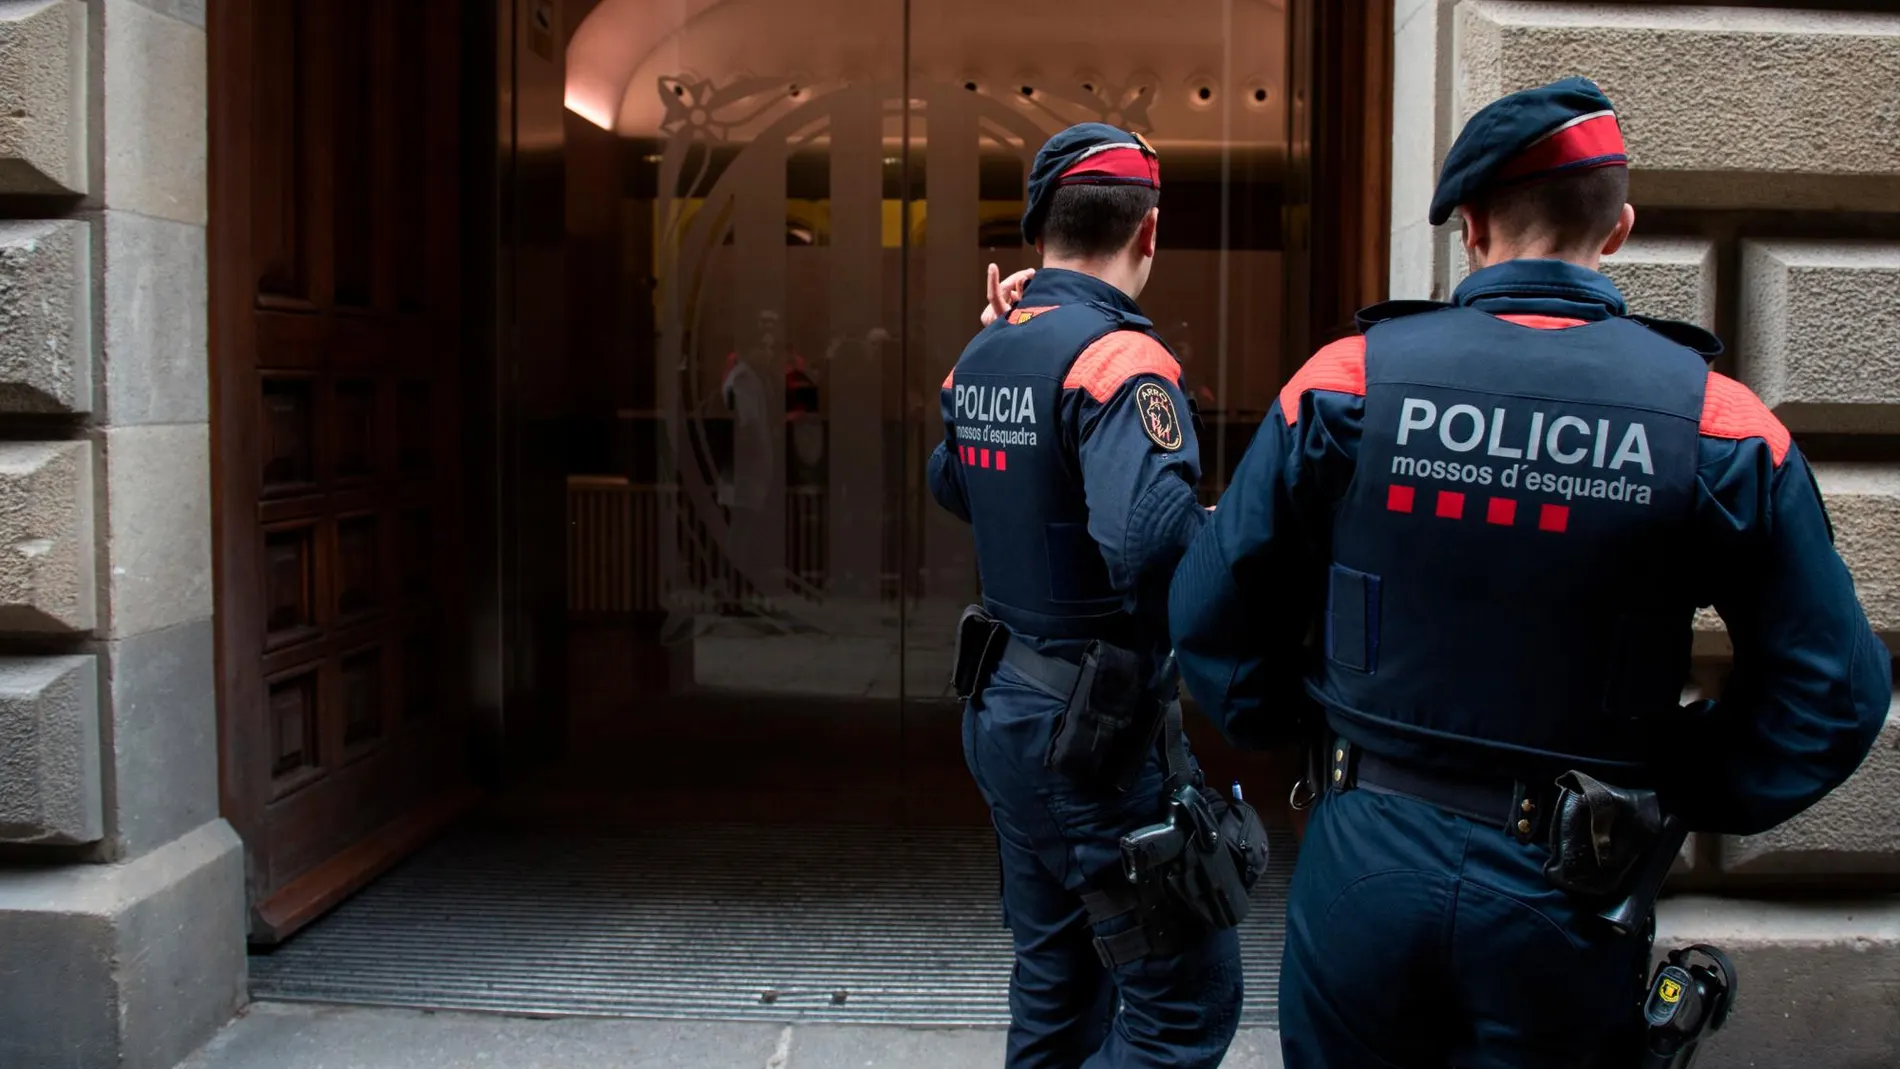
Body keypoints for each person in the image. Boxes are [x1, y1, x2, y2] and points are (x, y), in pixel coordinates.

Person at [1168, 77, 1890, 1069]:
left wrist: (1302, 728)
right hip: (1571, 880)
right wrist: (1671, 784)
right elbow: (1835, 698)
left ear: (1468, 228)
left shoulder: (1349, 382)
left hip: (1364, 856)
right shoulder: (1717, 425)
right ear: (1619, 229)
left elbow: (1207, 612)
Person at [928, 123, 1243, 1069]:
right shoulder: (1121, 362)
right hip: (1093, 741)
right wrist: (1227, 529)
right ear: (1149, 232)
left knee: (1058, 986)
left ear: (1037, 234)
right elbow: (1148, 543)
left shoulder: (984, 354)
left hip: (1007, 712)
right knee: (1180, 1012)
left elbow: (953, 482)